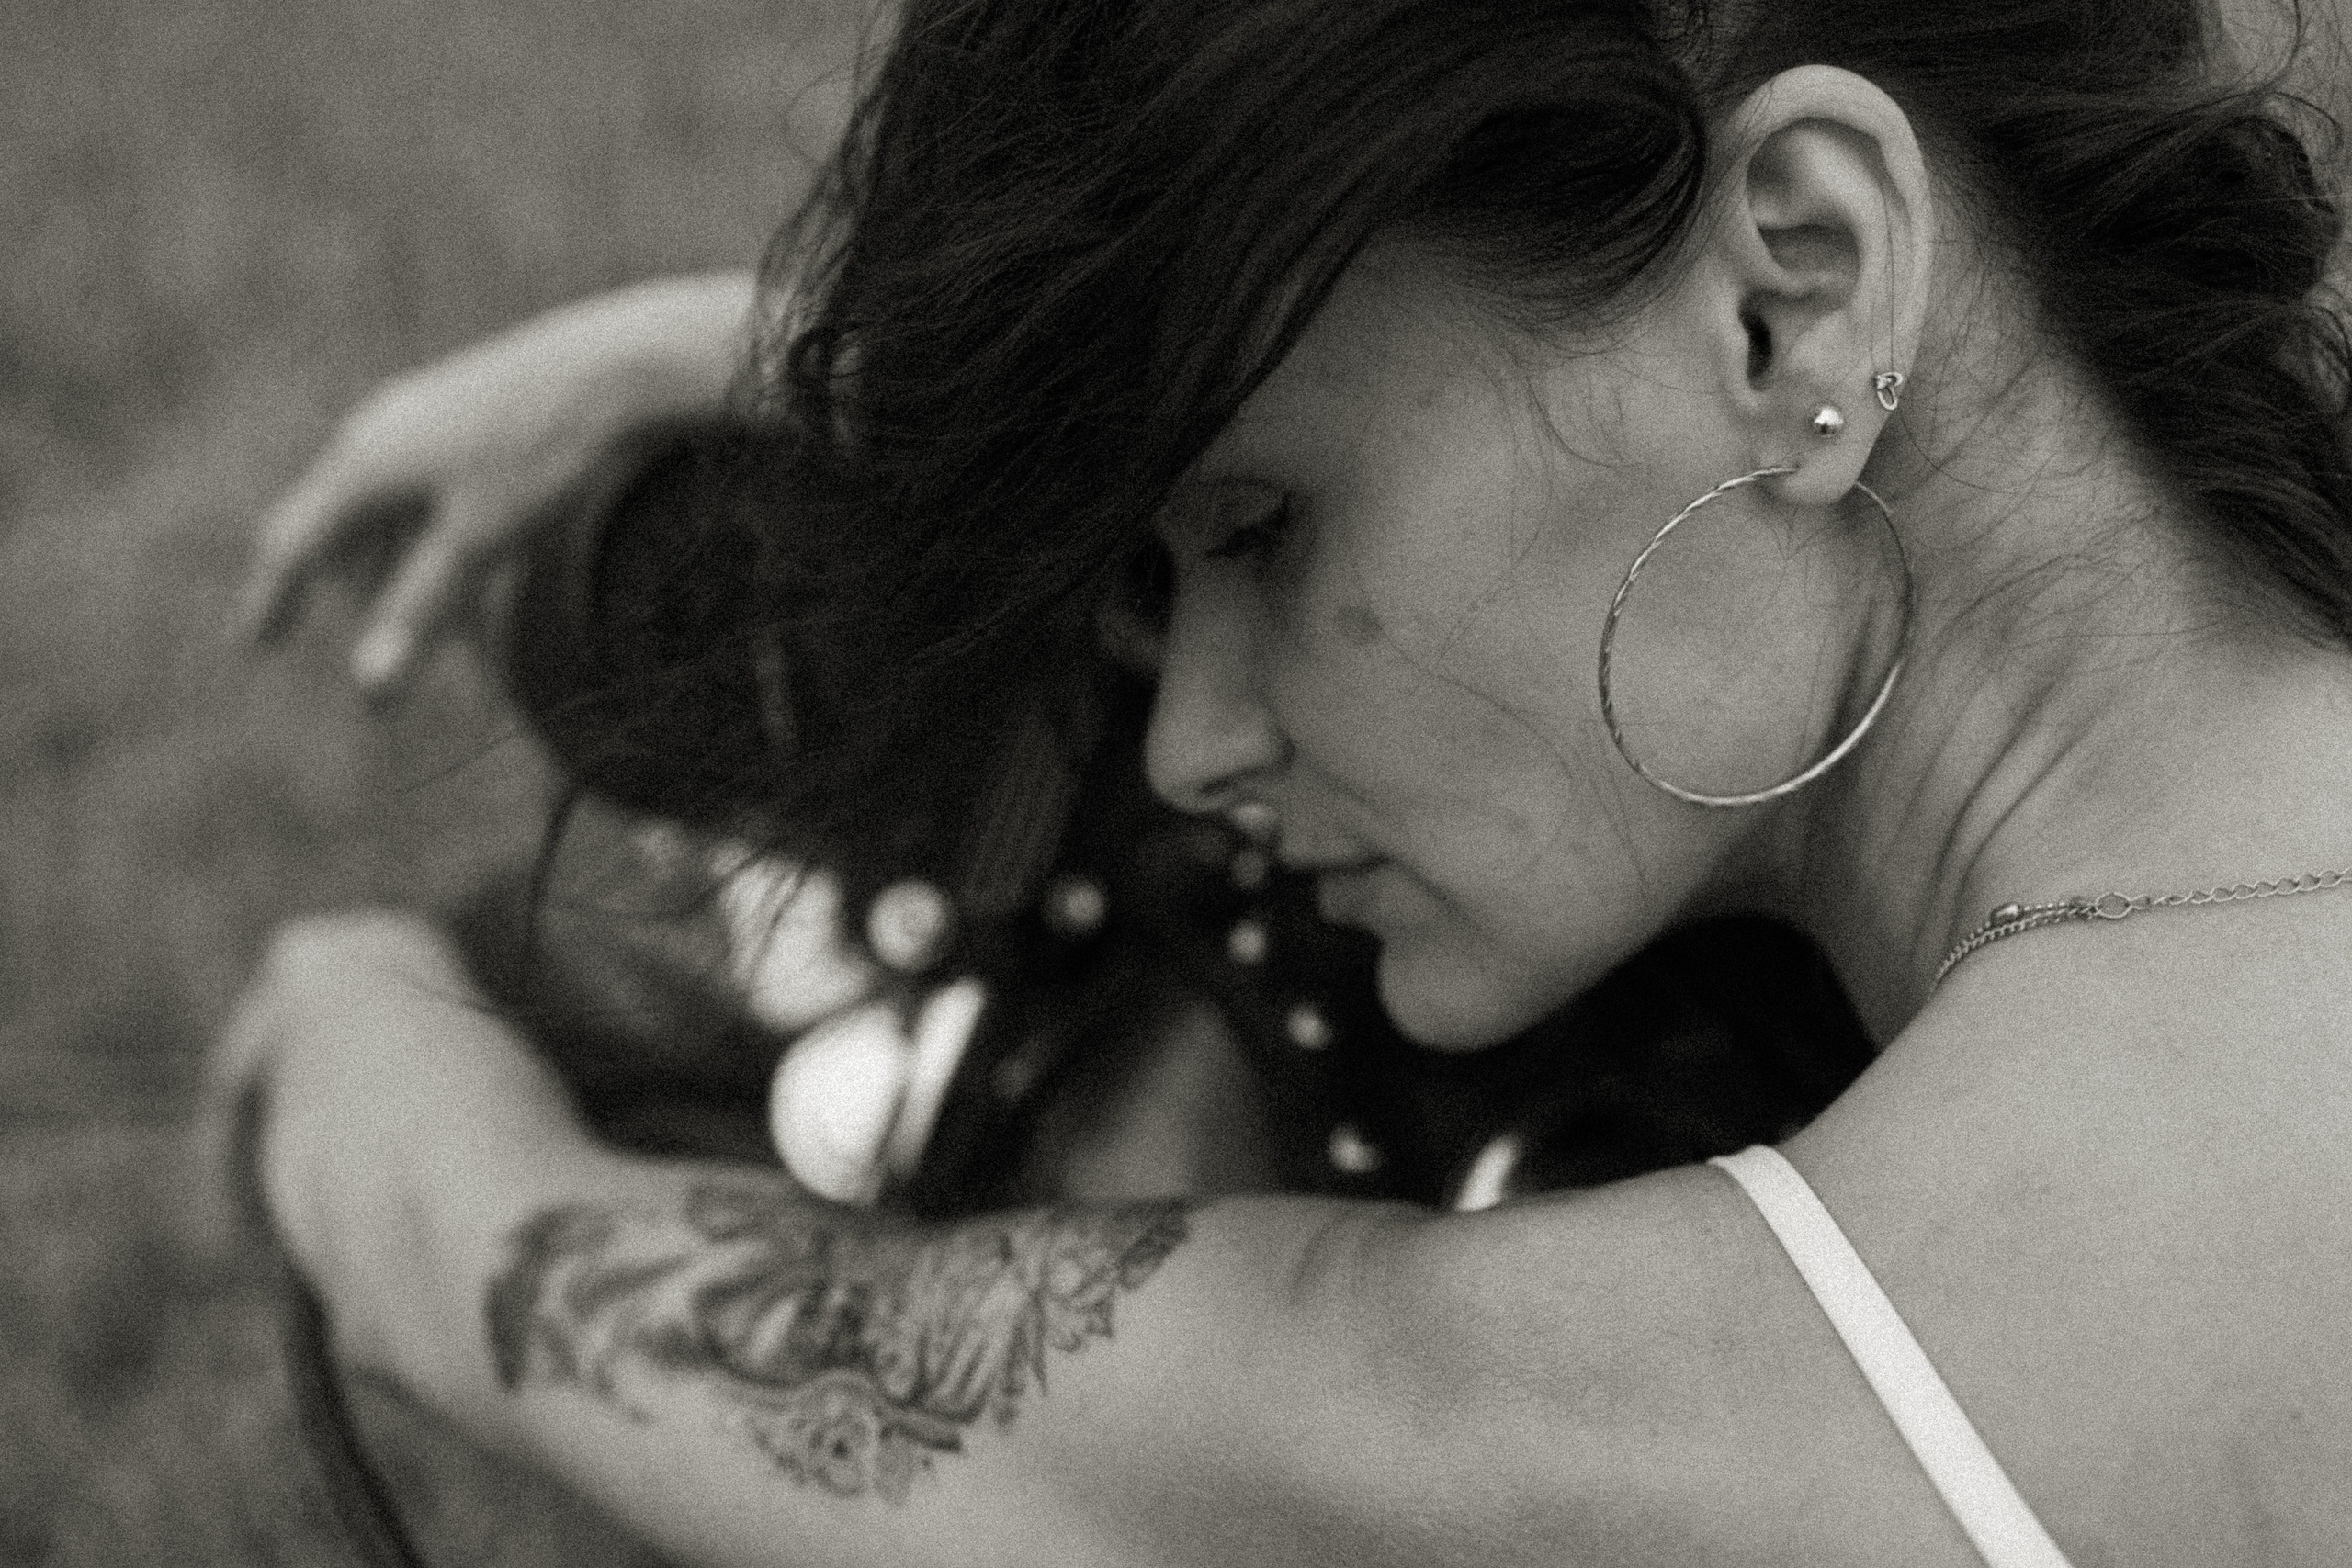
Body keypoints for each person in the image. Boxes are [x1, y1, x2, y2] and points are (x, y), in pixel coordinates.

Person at [220, 0, 2352, 1562]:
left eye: (1256, 532)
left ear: (1795, 299)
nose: (1189, 731)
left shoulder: (1838, 1365)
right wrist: (726, 354)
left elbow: (835, 1381)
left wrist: (369, 1082)